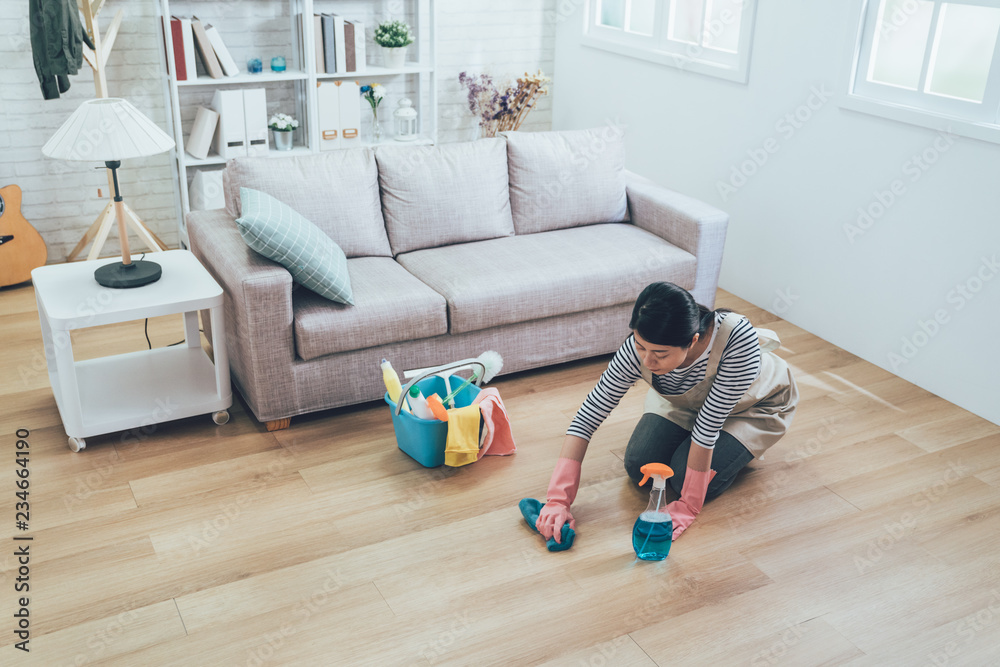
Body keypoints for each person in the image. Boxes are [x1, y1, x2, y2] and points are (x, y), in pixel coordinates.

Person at [535, 282, 799, 543]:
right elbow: (588, 416)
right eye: (641, 347)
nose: (647, 361)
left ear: (692, 340)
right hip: (689, 403)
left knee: (684, 478)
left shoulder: (737, 339)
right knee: (640, 466)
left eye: (660, 353)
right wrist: (558, 500)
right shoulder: (638, 351)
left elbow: (708, 428)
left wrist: (688, 505)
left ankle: (737, 451)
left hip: (752, 407)